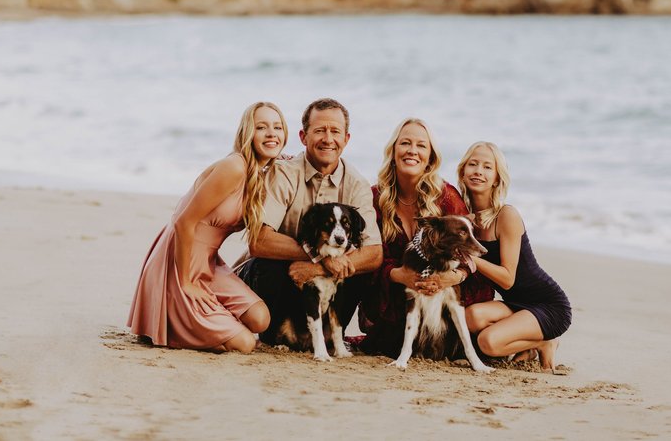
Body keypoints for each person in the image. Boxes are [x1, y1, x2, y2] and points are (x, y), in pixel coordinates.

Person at [127, 102, 287, 353]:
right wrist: (186, 282)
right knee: (245, 344)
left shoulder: (263, 175)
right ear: (248, 133)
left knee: (260, 318)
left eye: (277, 127)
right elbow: (183, 221)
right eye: (261, 127)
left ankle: (207, 320)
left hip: (209, 264)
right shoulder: (234, 167)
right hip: (179, 261)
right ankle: (178, 320)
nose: (271, 134)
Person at [235, 98, 383, 347]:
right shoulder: (283, 173)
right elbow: (259, 240)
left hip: (324, 283)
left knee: (358, 270)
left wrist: (320, 266)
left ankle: (330, 335)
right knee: (267, 266)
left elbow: (374, 253)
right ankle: (275, 335)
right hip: (283, 280)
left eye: (335, 131)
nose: (328, 139)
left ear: (346, 139)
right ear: (303, 137)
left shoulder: (356, 184)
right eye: (319, 131)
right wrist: (318, 255)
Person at [358, 118, 493, 357]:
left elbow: (467, 249)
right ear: (393, 151)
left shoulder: (446, 196)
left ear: (430, 157)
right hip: (397, 297)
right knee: (384, 345)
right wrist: (398, 274)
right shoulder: (375, 197)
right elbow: (370, 256)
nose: (412, 150)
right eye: (405, 143)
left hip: (443, 294)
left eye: (421, 145)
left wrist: (452, 277)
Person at [459, 141, 571, 372]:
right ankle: (526, 345)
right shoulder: (466, 220)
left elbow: (507, 278)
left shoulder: (506, 215)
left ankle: (544, 342)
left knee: (488, 342)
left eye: (487, 167)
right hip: (515, 304)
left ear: (497, 178)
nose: (479, 171)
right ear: (463, 171)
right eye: (473, 164)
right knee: (471, 317)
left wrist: (470, 259)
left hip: (548, 305)